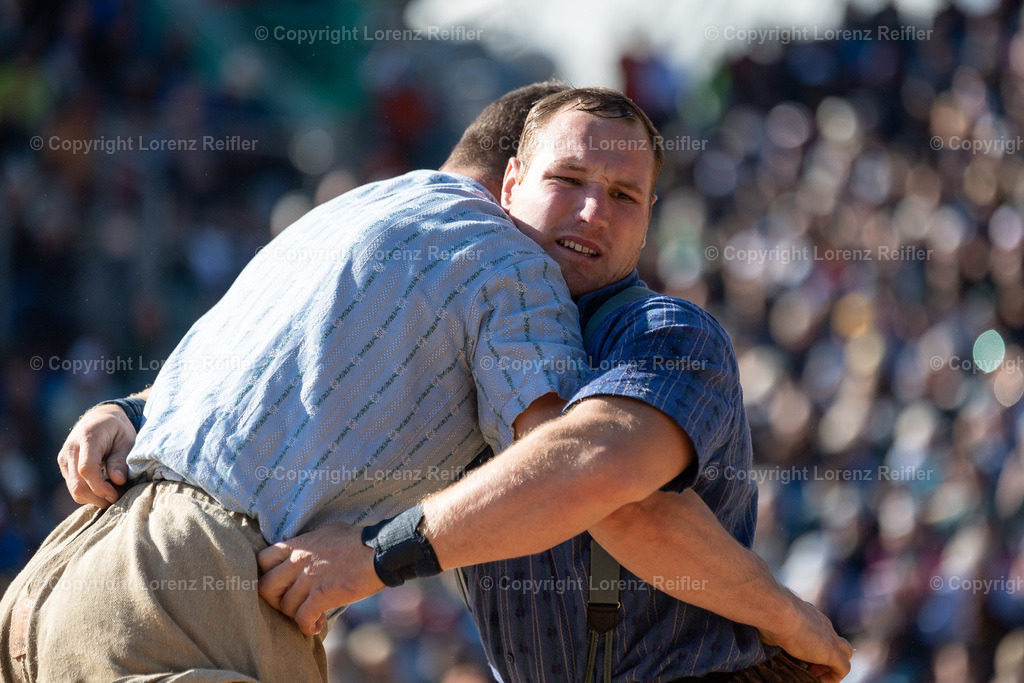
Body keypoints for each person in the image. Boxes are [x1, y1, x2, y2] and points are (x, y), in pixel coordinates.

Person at [22, 85, 849, 681]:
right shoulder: (507, 273)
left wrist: (130, 410)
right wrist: (789, 617)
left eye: (624, 195)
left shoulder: (662, 328)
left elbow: (602, 479)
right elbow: (595, 483)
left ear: (650, 219)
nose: (594, 211)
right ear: (510, 183)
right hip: (186, 589)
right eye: (569, 181)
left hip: (66, 578)